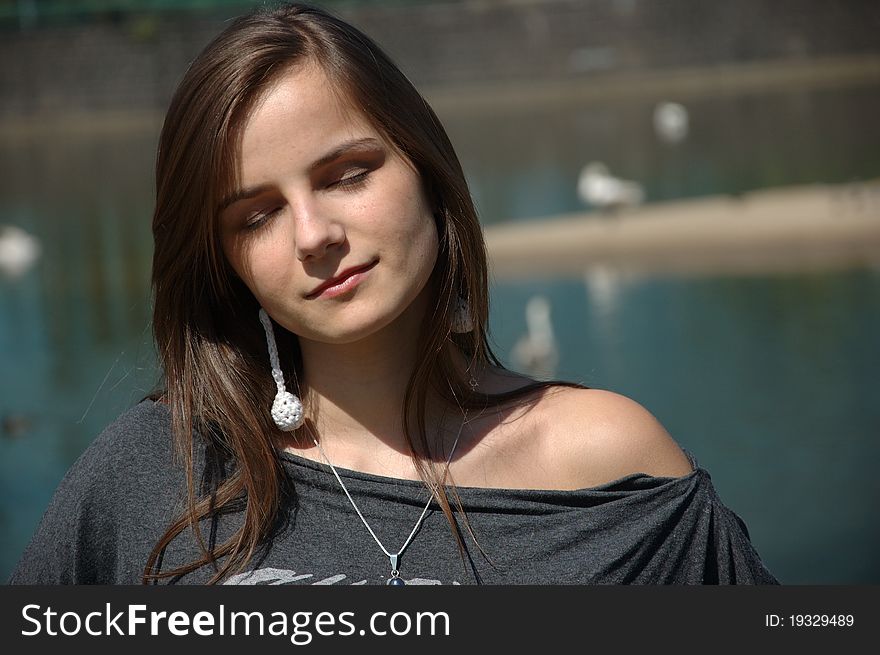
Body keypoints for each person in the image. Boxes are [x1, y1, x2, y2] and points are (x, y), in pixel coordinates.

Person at [10, 3, 777, 586]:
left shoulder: (609, 468)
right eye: (259, 214)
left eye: (347, 173)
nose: (313, 233)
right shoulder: (156, 474)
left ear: (425, 169)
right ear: (224, 263)